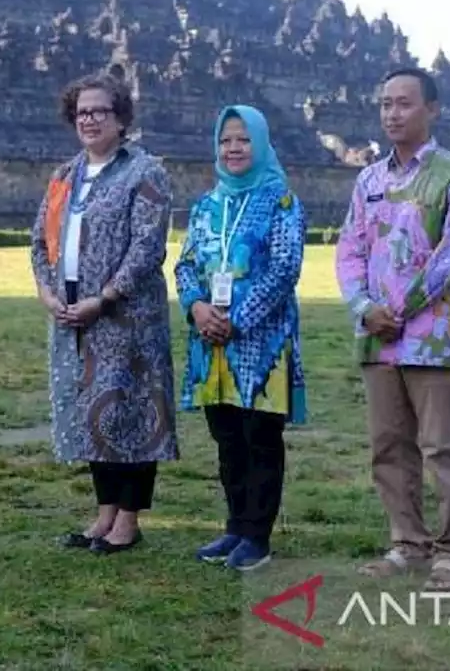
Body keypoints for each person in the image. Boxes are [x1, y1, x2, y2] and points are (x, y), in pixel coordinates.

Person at [334, 66, 450, 592]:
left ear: (433, 109)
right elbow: (350, 248)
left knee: (442, 446)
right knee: (388, 445)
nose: (392, 113)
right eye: (385, 104)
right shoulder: (369, 179)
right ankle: (407, 542)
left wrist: (395, 308)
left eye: (403, 103)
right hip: (376, 334)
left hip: (432, 335)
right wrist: (362, 305)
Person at [30, 69, 179, 555]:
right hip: (71, 311)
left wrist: (106, 296)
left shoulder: (144, 171)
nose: (89, 120)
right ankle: (105, 513)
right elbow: (40, 241)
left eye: (100, 111)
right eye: (82, 112)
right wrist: (47, 293)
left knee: (130, 412)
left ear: (121, 119)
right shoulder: (64, 176)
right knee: (92, 412)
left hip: (125, 315)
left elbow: (147, 246)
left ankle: (129, 520)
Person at [174, 104, 308, 571]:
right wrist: (196, 308)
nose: (233, 148)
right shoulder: (206, 205)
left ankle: (258, 535)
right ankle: (234, 527)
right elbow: (186, 263)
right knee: (226, 437)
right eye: (226, 140)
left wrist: (237, 318)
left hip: (260, 342)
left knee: (260, 437)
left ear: (262, 143)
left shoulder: (281, 201)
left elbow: (285, 268)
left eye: (243, 139)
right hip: (209, 343)